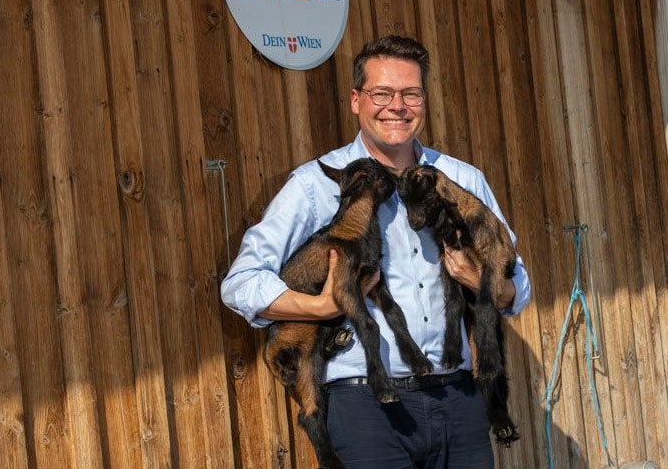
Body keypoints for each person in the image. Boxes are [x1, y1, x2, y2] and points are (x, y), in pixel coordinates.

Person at [221, 34, 533, 467]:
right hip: (363, 406)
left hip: (459, 399)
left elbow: (519, 286)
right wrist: (321, 307)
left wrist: (481, 283)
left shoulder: (462, 179)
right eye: (382, 93)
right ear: (356, 100)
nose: (397, 106)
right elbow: (241, 283)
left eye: (410, 93)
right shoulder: (315, 185)